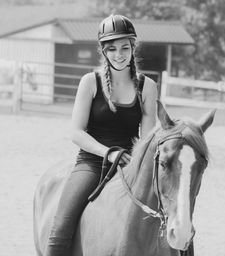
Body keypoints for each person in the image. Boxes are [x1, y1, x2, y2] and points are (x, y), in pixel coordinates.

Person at [45, 14, 158, 256]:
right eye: (113, 49)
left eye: (125, 48)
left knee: (175, 219)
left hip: (131, 167)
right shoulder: (90, 82)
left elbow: (147, 140)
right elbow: (75, 132)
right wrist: (107, 152)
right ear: (104, 51)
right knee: (59, 233)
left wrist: (133, 160)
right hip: (92, 163)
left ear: (132, 48)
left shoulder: (148, 87)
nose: (119, 54)